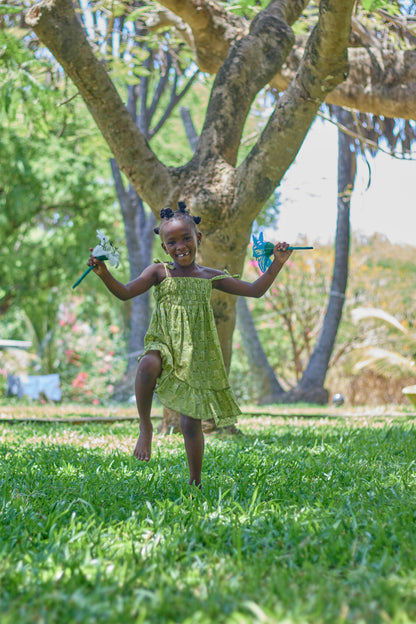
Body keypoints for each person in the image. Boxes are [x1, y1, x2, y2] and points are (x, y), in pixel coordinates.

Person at [88, 202, 292, 486]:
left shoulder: (210, 276)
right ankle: (145, 425)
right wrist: (104, 273)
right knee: (147, 364)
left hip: (194, 353)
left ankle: (195, 480)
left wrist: (277, 264)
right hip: (164, 341)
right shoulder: (159, 272)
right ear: (164, 247)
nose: (180, 245)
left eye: (186, 238)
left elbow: (255, 291)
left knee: (189, 421)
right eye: (172, 242)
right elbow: (124, 293)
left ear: (197, 239)